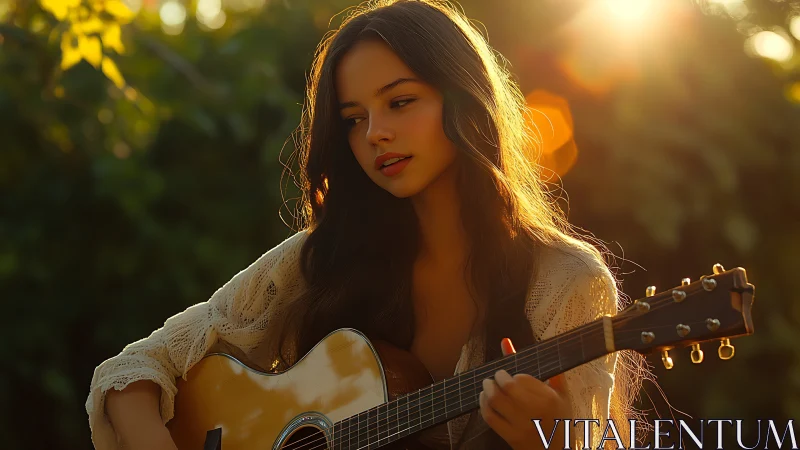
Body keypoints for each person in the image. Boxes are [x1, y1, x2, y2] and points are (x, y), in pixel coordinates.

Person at [86, 0, 646, 449]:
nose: (375, 133)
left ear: (465, 101)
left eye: (400, 102)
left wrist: (548, 440)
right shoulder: (323, 257)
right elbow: (134, 369)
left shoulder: (565, 281)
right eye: (354, 119)